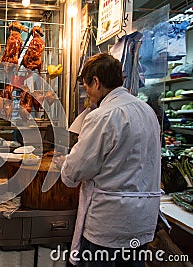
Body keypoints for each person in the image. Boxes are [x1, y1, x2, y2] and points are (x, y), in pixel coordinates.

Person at [60, 53, 161, 266]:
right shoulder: (148, 111)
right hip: (142, 222)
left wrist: (66, 164)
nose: (86, 92)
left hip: (108, 225)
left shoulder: (102, 116)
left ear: (96, 82)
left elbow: (74, 172)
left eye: (86, 86)